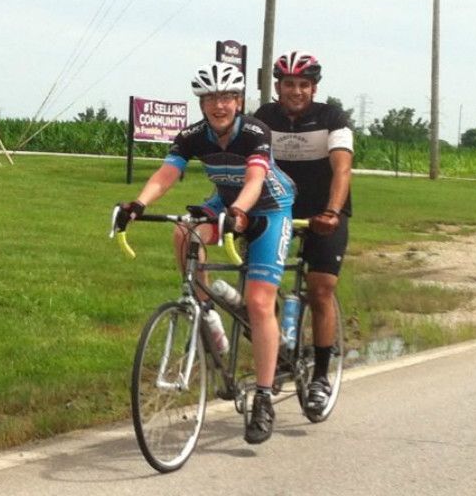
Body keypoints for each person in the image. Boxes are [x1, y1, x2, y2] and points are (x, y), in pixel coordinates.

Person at [116, 62, 296, 444]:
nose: (219, 105)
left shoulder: (253, 132)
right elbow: (167, 173)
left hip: (268, 208)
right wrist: (138, 203)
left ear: (239, 100)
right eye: (211, 97)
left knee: (261, 303)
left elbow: (255, 179)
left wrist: (240, 212)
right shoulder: (194, 135)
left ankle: (263, 398)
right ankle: (207, 309)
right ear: (202, 103)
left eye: (227, 97)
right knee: (184, 233)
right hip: (226, 202)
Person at [253, 50, 353, 416]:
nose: (296, 91)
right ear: (277, 87)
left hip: (324, 213)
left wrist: (332, 211)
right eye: (289, 84)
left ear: (314, 87)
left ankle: (321, 378)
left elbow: (342, 169)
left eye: (303, 85)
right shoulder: (264, 117)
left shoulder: (331, 117)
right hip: (276, 210)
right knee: (262, 287)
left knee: (320, 288)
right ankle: (277, 354)